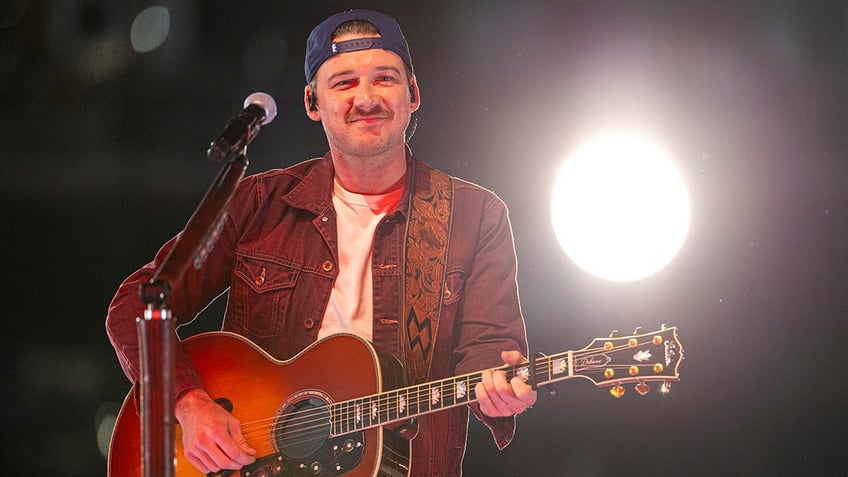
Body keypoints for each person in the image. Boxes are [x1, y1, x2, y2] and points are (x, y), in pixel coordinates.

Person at [106, 8, 536, 476]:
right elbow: (137, 304)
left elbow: (490, 350)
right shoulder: (256, 204)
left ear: (413, 94)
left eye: (385, 79)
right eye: (344, 83)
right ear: (313, 103)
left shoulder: (475, 216)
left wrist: (500, 388)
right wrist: (189, 403)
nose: (367, 98)